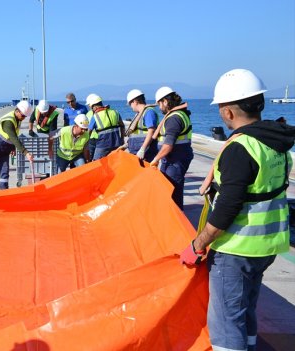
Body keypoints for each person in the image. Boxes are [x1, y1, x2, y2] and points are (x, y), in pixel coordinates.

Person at [181, 68, 294, 351]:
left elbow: (226, 210)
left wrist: (197, 245)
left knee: (226, 321)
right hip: (267, 247)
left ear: (229, 112)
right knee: (246, 310)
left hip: (236, 248)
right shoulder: (276, 144)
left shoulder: (240, 148)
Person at [149, 87, 193, 209]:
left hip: (175, 160)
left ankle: (176, 221)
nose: (159, 107)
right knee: (172, 190)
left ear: (165, 101)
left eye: (159, 103)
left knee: (172, 193)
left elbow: (168, 145)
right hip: (175, 159)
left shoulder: (173, 118)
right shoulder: (179, 114)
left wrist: (155, 159)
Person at [86, 93, 125, 160]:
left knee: (96, 163)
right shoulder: (115, 112)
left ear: (94, 106)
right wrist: (121, 139)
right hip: (117, 143)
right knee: (115, 162)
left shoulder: (95, 116)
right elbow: (122, 126)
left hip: (103, 145)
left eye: (91, 107)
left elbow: (88, 133)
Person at [126, 89, 160, 161]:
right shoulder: (139, 114)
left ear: (135, 101)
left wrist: (143, 149)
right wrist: (126, 145)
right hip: (137, 152)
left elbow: (151, 131)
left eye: (130, 104)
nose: (130, 106)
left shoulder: (148, 112)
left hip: (146, 153)